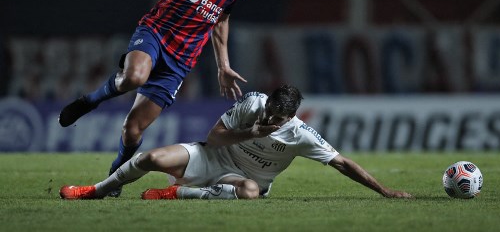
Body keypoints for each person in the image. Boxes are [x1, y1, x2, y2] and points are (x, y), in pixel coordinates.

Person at [50, 0, 258, 197]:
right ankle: (90, 100)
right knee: (134, 77)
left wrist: (223, 65)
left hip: (181, 61)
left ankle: (115, 179)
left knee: (133, 129)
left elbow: (220, 19)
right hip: (156, 33)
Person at [60, 85, 413, 200]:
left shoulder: (300, 134)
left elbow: (342, 163)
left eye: (277, 120)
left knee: (249, 192)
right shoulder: (253, 103)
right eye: (270, 113)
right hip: (210, 157)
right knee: (149, 157)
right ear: (269, 103)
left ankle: (178, 193)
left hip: (242, 179)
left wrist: (386, 192)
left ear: (290, 118)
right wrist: (251, 132)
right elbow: (214, 136)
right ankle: (96, 190)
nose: (270, 121)